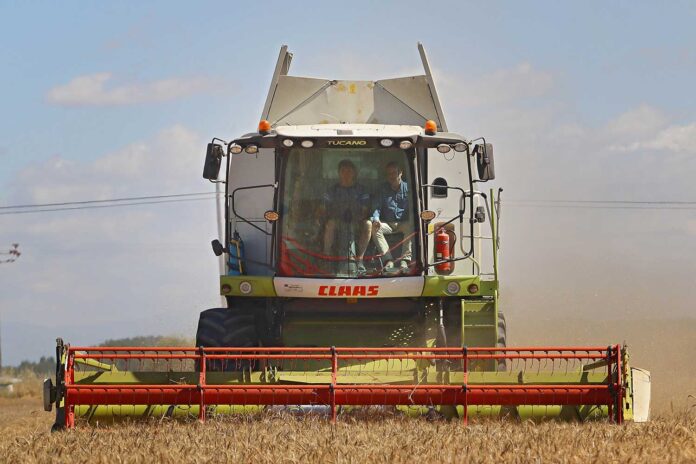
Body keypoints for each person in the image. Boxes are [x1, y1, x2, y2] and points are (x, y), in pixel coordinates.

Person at [321, 159, 372, 274]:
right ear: (338, 173)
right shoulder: (332, 190)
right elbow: (323, 208)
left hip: (357, 222)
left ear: (354, 173)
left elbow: (365, 210)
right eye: (343, 171)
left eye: (349, 171)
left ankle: (360, 259)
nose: (346, 174)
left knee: (368, 224)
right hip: (337, 222)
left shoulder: (362, 190)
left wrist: (357, 218)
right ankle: (327, 259)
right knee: (330, 224)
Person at [370, 161, 412, 274]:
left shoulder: (409, 189)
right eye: (389, 174)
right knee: (373, 227)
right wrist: (376, 218)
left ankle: (405, 260)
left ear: (400, 173)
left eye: (394, 173)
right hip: (388, 223)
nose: (392, 176)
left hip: (404, 223)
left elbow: (414, 208)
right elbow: (376, 207)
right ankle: (388, 260)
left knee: (411, 225)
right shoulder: (382, 189)